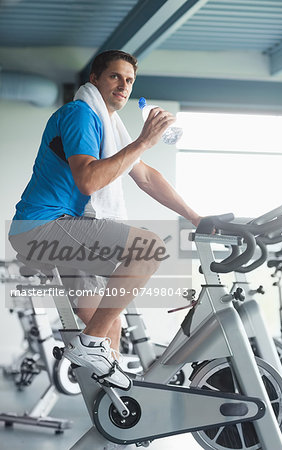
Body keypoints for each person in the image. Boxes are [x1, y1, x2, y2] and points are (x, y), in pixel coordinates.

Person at [9, 50, 202, 390]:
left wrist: (195, 217)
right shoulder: (81, 114)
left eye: (129, 80)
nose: (123, 85)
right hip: (42, 228)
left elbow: (144, 176)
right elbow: (88, 180)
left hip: (57, 232)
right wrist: (144, 141)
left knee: (108, 321)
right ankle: (88, 345)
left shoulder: (111, 127)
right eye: (115, 76)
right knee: (147, 249)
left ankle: (113, 409)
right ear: (94, 79)